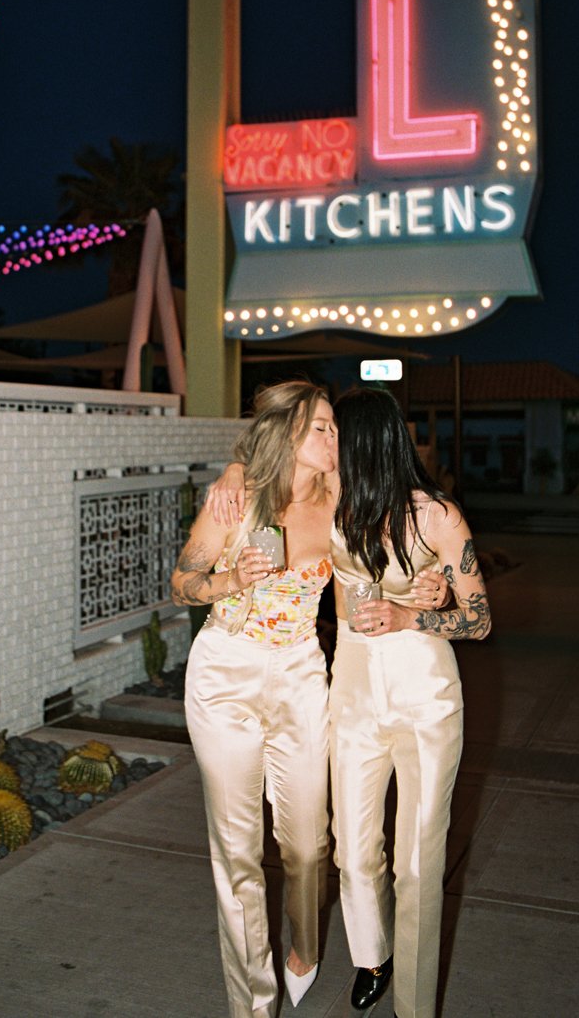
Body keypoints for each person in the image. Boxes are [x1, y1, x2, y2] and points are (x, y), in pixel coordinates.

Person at [208, 386, 488, 1018]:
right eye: (325, 437)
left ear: (371, 446)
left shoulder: (437, 516)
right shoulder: (334, 513)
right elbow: (271, 473)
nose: (329, 451)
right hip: (354, 698)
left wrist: (420, 611)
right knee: (355, 854)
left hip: (427, 701)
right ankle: (372, 954)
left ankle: (414, 1007)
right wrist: (232, 470)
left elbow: (479, 620)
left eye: (339, 439)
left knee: (418, 863)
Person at [170, 381, 338, 1018]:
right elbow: (182, 582)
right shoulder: (235, 502)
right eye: (320, 427)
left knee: (306, 847)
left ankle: (306, 941)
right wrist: (225, 579)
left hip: (300, 675)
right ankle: (253, 1006)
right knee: (238, 854)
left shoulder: (341, 498)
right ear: (290, 434)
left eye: (334, 428)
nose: (332, 438)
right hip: (225, 678)